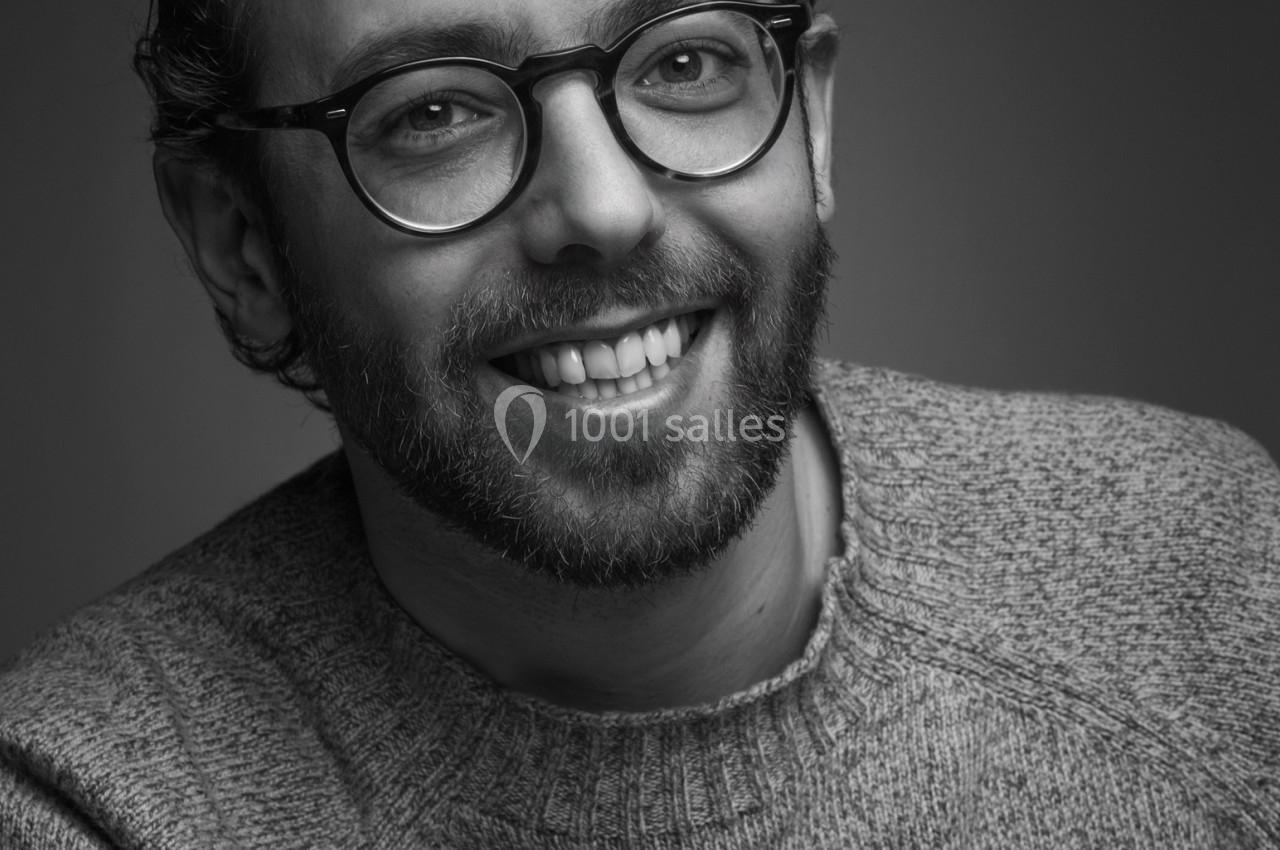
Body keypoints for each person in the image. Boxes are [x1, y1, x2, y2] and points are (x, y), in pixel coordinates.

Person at [1, 0, 1277, 846]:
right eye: (431, 112)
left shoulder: (1205, 572)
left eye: (680, 62)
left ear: (810, 121)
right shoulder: (95, 805)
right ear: (243, 242)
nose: (602, 209)